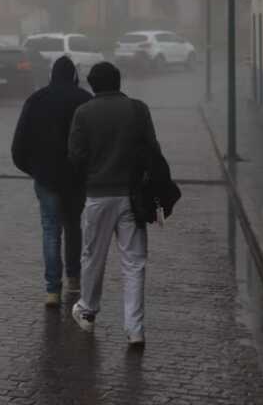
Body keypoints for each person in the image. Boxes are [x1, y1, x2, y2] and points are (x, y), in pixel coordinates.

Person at [68, 61, 169, 348]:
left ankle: (88, 310)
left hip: (98, 196)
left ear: (93, 85)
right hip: (132, 197)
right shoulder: (138, 109)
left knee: (92, 256)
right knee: (134, 263)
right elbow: (153, 150)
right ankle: (135, 329)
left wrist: (91, 173)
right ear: (118, 82)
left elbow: (75, 156)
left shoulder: (83, 113)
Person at [11, 56, 92, 307]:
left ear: (51, 74)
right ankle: (74, 279)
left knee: (50, 231)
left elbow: (19, 145)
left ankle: (52, 291)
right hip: (76, 178)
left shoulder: (36, 100)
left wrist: (35, 170)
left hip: (46, 178)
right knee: (73, 227)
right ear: (74, 76)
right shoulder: (85, 100)